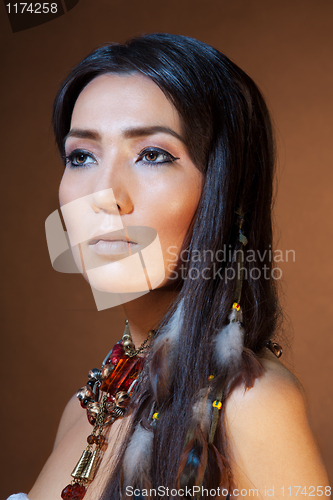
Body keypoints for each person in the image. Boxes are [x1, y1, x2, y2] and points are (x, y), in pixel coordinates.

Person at [9, 33, 329, 500]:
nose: (105, 196)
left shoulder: (251, 405)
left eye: (152, 155)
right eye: (81, 156)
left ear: (226, 189)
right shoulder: (83, 410)